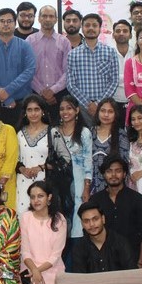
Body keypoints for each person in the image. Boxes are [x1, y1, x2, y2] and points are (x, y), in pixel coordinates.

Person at [88, 156, 142, 269]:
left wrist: (141, 263)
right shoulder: (95, 201)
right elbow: (90, 233)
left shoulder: (138, 200)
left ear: (124, 174)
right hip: (104, 263)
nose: (113, 175)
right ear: (103, 174)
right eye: (109, 171)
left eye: (118, 171)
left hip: (133, 261)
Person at [0, 7, 37, 127]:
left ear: (15, 23)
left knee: (20, 137)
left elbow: (29, 71)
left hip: (21, 103)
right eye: (2, 21)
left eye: (9, 21)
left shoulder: (25, 46)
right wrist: (5, 98)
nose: (5, 24)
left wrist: (8, 91)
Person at [15, 95, 71, 212]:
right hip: (23, 182)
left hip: (46, 183)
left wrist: (42, 167)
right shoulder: (19, 133)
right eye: (29, 110)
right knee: (23, 216)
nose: (33, 113)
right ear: (25, 113)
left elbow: (66, 159)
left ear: (43, 111)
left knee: (44, 217)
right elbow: (13, 159)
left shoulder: (52, 132)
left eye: (36, 109)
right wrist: (22, 169)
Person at [66, 12, 119, 127]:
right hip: (81, 107)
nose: (91, 28)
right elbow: (70, 84)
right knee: (83, 136)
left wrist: (99, 103)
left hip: (105, 107)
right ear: (82, 28)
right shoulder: (73, 54)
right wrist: (88, 104)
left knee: (105, 135)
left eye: (94, 25)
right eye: (87, 25)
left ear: (100, 28)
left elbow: (114, 81)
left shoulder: (110, 52)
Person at [20, 181, 67, 284]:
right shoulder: (26, 218)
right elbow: (25, 252)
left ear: (49, 197)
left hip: (53, 269)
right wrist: (34, 271)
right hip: (28, 270)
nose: (36, 200)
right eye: (32, 197)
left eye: (40, 196)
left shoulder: (60, 219)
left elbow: (55, 256)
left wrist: (38, 271)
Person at [58, 95, 93, 256]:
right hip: (60, 186)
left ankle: (76, 264)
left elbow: (88, 162)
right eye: (62, 109)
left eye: (69, 108)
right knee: (61, 224)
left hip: (78, 185)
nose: (65, 112)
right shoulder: (55, 132)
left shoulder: (84, 132)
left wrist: (86, 187)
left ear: (77, 110)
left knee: (77, 225)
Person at [28, 4, 70, 121]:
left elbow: (68, 71)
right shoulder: (29, 41)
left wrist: (53, 90)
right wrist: (42, 91)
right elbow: (27, 70)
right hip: (35, 94)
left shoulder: (64, 42)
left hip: (59, 95)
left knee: (59, 128)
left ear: (56, 19)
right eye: (44, 16)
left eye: (51, 16)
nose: (47, 19)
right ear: (39, 19)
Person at [72, 201, 136, 273]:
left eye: (95, 219)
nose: (91, 224)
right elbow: (79, 277)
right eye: (86, 221)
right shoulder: (79, 248)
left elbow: (132, 274)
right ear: (82, 224)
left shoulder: (120, 243)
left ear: (103, 219)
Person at [90, 98, 129, 195]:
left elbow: (125, 163)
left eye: (110, 111)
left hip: (114, 185)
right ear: (98, 112)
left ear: (115, 114)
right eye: (103, 111)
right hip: (91, 184)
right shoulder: (90, 133)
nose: (106, 115)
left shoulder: (121, 135)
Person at [111, 19, 134, 109]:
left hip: (134, 100)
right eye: (118, 31)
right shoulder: (108, 54)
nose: (121, 33)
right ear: (113, 35)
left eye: (125, 31)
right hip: (113, 100)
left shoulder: (136, 53)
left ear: (130, 35)